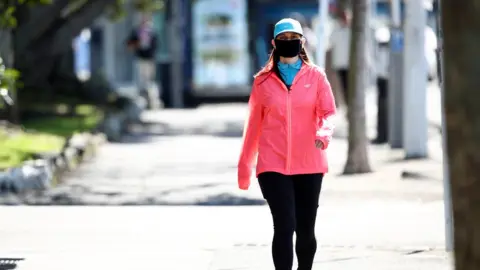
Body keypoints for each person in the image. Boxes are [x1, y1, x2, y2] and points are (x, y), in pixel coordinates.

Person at [237, 18, 336, 270]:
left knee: (305, 228)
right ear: (274, 43)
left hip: (310, 162)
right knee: (284, 225)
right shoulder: (262, 81)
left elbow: (328, 112)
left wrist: (323, 134)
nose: (289, 43)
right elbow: (253, 126)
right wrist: (244, 166)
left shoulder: (316, 77)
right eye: (284, 39)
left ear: (302, 42)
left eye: (294, 39)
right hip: (272, 164)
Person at [126, 15, 160, 109]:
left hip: (150, 59)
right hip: (140, 58)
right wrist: (138, 43)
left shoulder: (152, 32)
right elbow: (129, 44)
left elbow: (156, 46)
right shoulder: (136, 32)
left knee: (149, 81)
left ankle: (153, 102)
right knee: (141, 80)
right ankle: (142, 101)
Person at [328, 10, 351, 105]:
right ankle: (345, 103)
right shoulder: (336, 30)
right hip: (340, 64)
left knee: (349, 86)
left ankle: (347, 103)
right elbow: (330, 43)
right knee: (342, 86)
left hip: (350, 64)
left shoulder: (351, 31)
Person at [372, 26, 390, 144]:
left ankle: (384, 135)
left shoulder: (384, 51)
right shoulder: (378, 50)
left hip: (387, 81)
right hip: (382, 81)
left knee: (385, 109)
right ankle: (382, 135)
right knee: (381, 109)